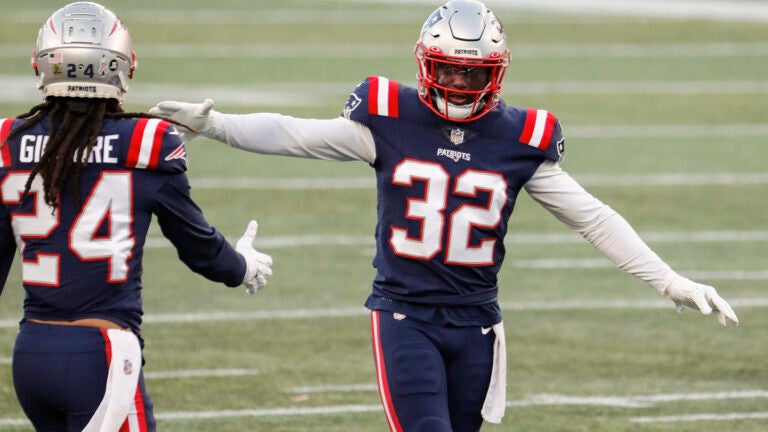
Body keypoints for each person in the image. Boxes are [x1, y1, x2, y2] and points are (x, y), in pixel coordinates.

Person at [151, 1, 739, 431]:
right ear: (425, 64)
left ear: (496, 72)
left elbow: (592, 217)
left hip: (479, 324)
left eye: (472, 72)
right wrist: (217, 124)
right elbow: (294, 134)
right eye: (449, 68)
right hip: (406, 316)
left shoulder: (518, 138)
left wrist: (669, 279)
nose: (458, 81)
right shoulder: (389, 119)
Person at [0, 2, 273, 431]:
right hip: (101, 353)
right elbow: (198, 246)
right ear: (121, 67)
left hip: (31, 354)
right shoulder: (148, 142)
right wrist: (240, 267)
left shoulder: (10, 141)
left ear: (44, 65)